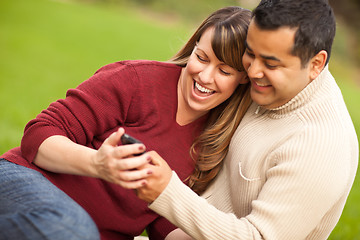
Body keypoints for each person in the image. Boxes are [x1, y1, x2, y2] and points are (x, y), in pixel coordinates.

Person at [0, 6, 252, 240]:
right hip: (26, 180)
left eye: (224, 71)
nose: (205, 76)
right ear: (193, 47)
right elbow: (38, 135)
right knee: (72, 228)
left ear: (243, 78)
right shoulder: (136, 81)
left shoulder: (215, 143)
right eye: (202, 57)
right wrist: (97, 164)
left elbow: (163, 226)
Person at [127, 0, 359, 239]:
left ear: (316, 64)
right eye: (250, 53)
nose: (253, 71)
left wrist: (168, 192)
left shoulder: (320, 146)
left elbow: (258, 237)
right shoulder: (278, 87)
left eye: (270, 63)